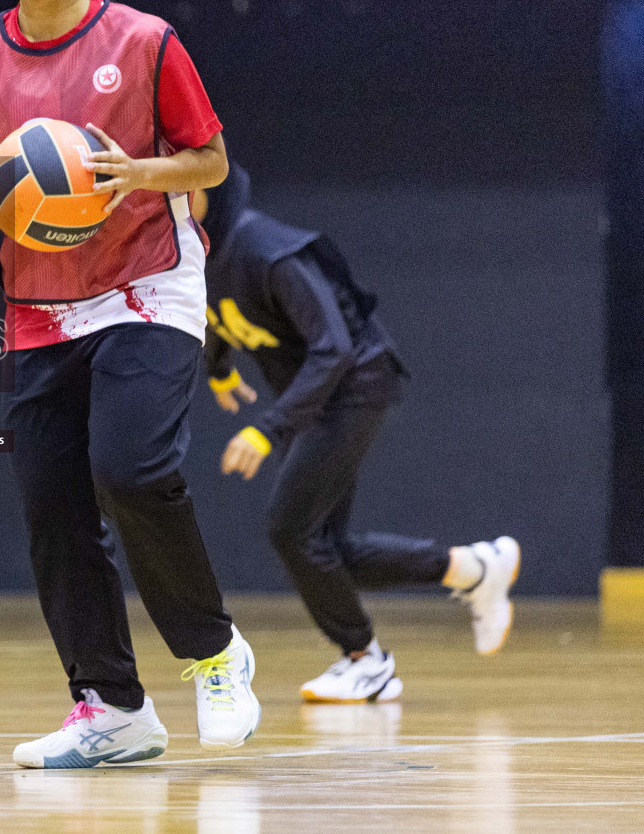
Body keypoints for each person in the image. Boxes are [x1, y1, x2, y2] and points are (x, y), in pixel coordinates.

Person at [0, 0, 260, 769]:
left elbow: (210, 162)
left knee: (129, 465)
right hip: (40, 298)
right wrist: (17, 198)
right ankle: (113, 707)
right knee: (52, 504)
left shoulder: (147, 41)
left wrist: (131, 177)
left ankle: (213, 653)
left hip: (147, 281)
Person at [193, 164, 519, 703]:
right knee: (325, 544)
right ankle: (474, 569)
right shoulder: (199, 249)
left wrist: (268, 432)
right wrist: (219, 366)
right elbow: (216, 305)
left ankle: (366, 660)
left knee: (291, 529)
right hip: (318, 396)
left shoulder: (265, 249)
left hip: (354, 383)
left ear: (197, 186)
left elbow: (335, 346)